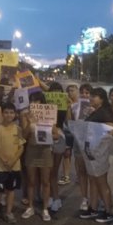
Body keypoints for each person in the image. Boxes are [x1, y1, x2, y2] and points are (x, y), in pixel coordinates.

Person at [78, 87, 113, 223]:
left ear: (101, 99)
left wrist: (97, 137)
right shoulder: (96, 111)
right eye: (91, 96)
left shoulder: (105, 111)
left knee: (101, 181)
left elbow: (112, 129)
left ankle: (108, 211)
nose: (91, 98)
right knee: (93, 180)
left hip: (99, 152)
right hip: (91, 151)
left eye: (94, 96)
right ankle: (93, 208)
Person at [19, 91, 59, 221]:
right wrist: (30, 124)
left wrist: (48, 136)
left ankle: (45, 209)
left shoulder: (49, 114)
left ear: (42, 103)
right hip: (31, 150)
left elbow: (56, 135)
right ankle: (30, 207)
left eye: (36, 101)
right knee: (31, 181)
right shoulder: (25, 115)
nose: (34, 104)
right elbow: (23, 136)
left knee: (45, 181)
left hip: (46, 151)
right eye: (32, 101)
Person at [0, 102, 25, 225]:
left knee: (11, 190)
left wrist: (13, 160)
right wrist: (3, 160)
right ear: (2, 114)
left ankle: (8, 213)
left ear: (15, 114)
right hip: (0, 168)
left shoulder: (17, 129)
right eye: (6, 112)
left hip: (15, 166)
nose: (9, 115)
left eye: (12, 113)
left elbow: (21, 147)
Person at [68, 83, 95, 212]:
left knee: (92, 173)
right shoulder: (74, 106)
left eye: (87, 93)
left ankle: (94, 198)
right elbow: (70, 122)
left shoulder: (96, 107)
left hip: (91, 143)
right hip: (78, 142)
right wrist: (69, 108)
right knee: (81, 172)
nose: (84, 95)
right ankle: (84, 198)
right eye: (82, 92)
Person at [47, 82, 67, 212]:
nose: (55, 94)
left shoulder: (64, 106)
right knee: (47, 171)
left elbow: (68, 121)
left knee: (54, 171)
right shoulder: (43, 106)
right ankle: (49, 196)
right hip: (46, 138)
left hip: (59, 137)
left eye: (58, 92)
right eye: (52, 91)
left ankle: (56, 198)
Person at [58, 84, 79, 186]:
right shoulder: (64, 103)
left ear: (77, 92)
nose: (70, 93)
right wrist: (68, 108)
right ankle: (66, 175)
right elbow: (67, 121)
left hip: (79, 132)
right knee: (66, 153)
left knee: (79, 155)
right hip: (67, 131)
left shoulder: (81, 104)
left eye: (73, 90)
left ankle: (80, 175)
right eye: (69, 91)